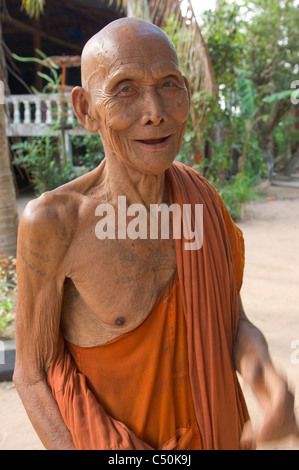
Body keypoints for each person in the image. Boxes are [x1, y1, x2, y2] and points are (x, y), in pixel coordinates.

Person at [13, 17, 298, 450]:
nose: (155, 111)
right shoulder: (54, 223)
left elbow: (233, 323)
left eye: (168, 84)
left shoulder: (200, 201)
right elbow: (31, 374)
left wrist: (268, 383)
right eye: (125, 88)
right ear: (86, 109)